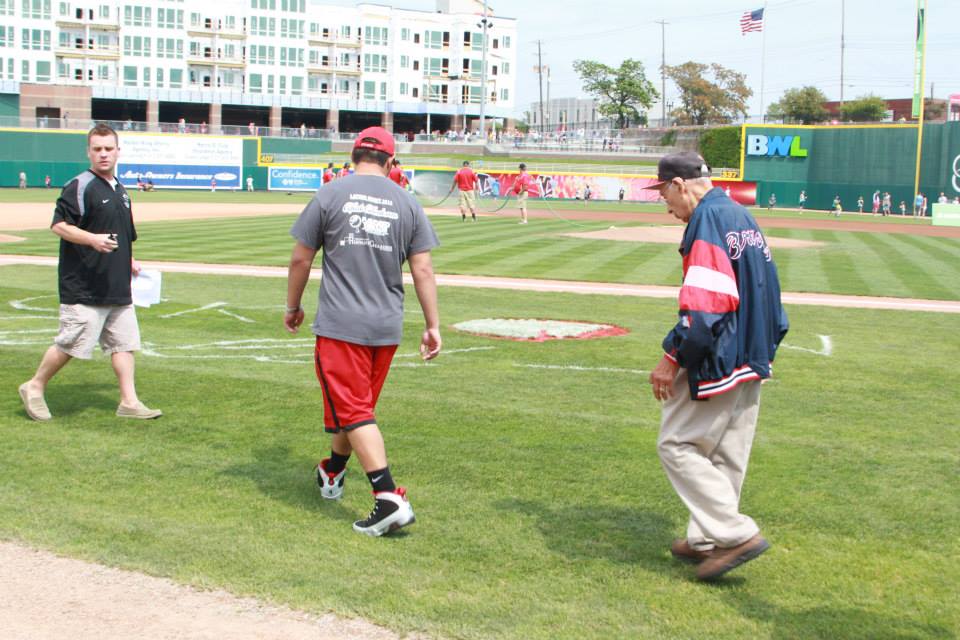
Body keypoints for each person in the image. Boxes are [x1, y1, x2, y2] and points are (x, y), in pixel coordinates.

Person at [284, 126, 441, 536]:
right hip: (386, 326)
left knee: (353, 411)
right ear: (391, 162)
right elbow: (422, 268)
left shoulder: (330, 193)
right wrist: (432, 325)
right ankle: (332, 471)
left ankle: (387, 497)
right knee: (355, 408)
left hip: (341, 323)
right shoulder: (407, 202)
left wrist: (293, 305)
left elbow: (301, 260)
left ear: (354, 157)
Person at [643, 151, 788, 581]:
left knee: (678, 445)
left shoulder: (706, 220)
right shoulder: (739, 215)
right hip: (753, 350)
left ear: (680, 184)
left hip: (720, 352)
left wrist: (673, 357)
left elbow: (707, 303)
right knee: (725, 452)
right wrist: (765, 346)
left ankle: (734, 533)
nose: (665, 205)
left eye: (664, 193)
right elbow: (771, 291)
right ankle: (708, 538)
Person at [18, 123, 162, 423]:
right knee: (71, 343)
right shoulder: (80, 185)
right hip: (84, 285)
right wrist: (92, 239)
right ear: (89, 152)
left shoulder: (121, 190)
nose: (103, 154)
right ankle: (34, 385)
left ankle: (129, 401)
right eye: (97, 149)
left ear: (118, 151)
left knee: (124, 344)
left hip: (116, 286)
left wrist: (130, 261)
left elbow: (124, 236)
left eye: (109, 148)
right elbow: (59, 225)